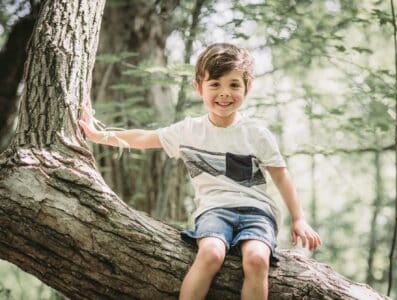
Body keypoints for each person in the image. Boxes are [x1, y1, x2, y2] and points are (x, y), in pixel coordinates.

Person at [79, 43, 322, 300]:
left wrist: (298, 219)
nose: (224, 93)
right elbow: (145, 138)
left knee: (257, 259)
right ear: (199, 87)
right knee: (211, 253)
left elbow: (281, 176)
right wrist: (99, 135)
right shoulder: (189, 131)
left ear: (247, 88)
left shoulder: (256, 133)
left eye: (234, 85)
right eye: (215, 84)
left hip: (257, 212)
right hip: (214, 210)